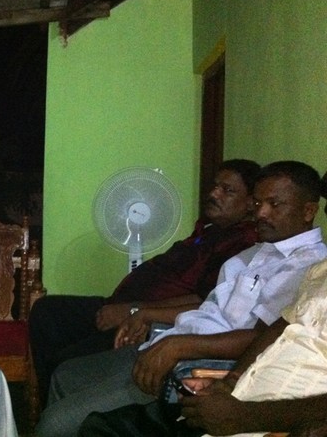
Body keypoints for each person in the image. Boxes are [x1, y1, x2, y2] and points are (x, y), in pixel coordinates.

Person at [36, 161, 327, 437]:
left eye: (274, 204)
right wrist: (148, 318)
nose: (261, 213)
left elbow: (262, 337)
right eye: (258, 203)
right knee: (65, 376)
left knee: (56, 423)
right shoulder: (257, 252)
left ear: (308, 211)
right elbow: (209, 306)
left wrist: (178, 346)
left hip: (194, 364)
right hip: (170, 339)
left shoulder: (306, 267)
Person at [30, 159, 261, 402]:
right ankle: (47, 404)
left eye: (227, 190)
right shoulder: (209, 231)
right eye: (215, 186)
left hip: (148, 322)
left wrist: (134, 311)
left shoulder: (240, 244)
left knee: (66, 364)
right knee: (47, 311)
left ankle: (60, 407)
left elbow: (204, 301)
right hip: (124, 306)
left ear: (250, 203)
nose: (214, 194)